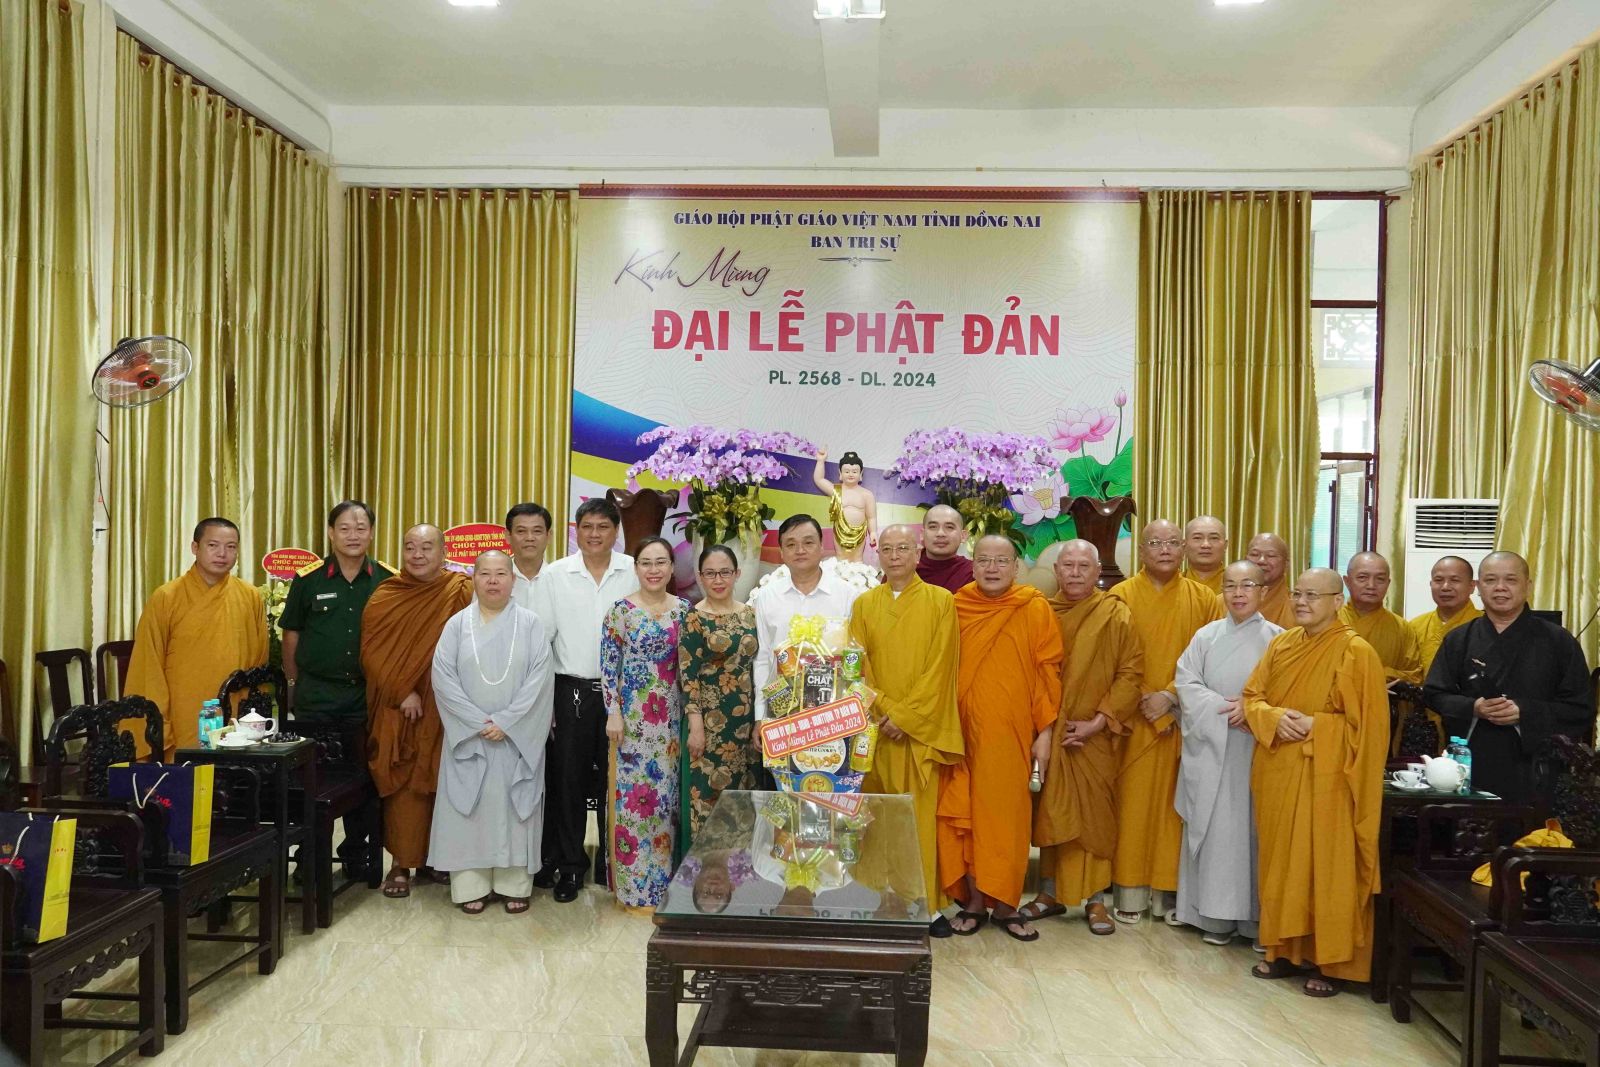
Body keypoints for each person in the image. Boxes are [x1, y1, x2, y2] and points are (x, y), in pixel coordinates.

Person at [1243, 567, 1389, 997]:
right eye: (1297, 594)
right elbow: (1252, 697)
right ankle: (1284, 951)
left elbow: (1371, 731)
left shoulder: (1357, 652)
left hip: (1330, 779)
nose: (1301, 602)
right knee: (1281, 867)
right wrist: (1272, 717)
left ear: (1337, 602)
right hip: (1279, 772)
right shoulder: (1283, 644)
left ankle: (1331, 962)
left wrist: (1317, 726)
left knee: (1325, 868)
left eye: (1313, 595)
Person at [938, 535, 1063, 942]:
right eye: (984, 560)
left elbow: (1048, 672)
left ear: (1015, 567)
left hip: (1012, 735)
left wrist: (1044, 732)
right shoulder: (956, 606)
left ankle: (1007, 904)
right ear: (972, 565)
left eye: (1001, 561)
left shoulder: (1033, 607)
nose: (992, 568)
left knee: (1006, 821)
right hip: (960, 733)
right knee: (967, 817)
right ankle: (975, 902)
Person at [1021, 540, 1143, 936]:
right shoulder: (1041, 612)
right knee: (1052, 811)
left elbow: (1131, 672)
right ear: (1056, 571)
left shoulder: (1115, 613)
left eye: (1083, 566)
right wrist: (1043, 726)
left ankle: (1095, 900)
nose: (1074, 573)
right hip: (1050, 732)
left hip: (1095, 735)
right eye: (1068, 565)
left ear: (1097, 571)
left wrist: (1099, 721)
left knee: (1095, 818)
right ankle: (1049, 893)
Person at [1107, 519, 1223, 924]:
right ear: (1141, 551)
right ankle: (1130, 891)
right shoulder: (1120, 596)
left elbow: (1212, 659)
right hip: (1133, 719)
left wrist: (1171, 695)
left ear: (1183, 550)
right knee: (1132, 807)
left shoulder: (1204, 599)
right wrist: (1140, 695)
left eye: (1173, 542)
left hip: (1182, 719)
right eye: (1155, 543)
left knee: (1177, 810)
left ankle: (1170, 895)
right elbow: (1112, 657)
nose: (1165, 550)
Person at [849, 525, 964, 935]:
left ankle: (924, 904)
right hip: (877, 729)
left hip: (918, 733)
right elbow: (857, 665)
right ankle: (877, 897)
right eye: (887, 549)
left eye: (903, 548)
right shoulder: (864, 604)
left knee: (918, 817)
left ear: (918, 554)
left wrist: (906, 718)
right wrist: (885, 711)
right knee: (876, 816)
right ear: (878, 555)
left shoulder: (941, 601)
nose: (895, 556)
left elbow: (942, 667)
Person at [427, 551, 554, 915]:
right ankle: (471, 885)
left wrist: (508, 723)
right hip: (470, 738)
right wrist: (477, 723)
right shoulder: (456, 626)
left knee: (515, 808)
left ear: (513, 580)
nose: (493, 581)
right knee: (469, 809)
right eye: (485, 574)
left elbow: (540, 681)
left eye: (501, 574)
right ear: (474, 579)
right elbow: (443, 679)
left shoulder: (530, 624)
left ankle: (515, 884)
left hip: (516, 740)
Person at [528, 498, 638, 902]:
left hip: (625, 695)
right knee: (568, 783)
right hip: (571, 691)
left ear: (616, 531)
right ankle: (571, 868)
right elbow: (542, 642)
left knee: (618, 783)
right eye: (587, 527)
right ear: (576, 531)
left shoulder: (633, 570)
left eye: (603, 527)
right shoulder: (556, 574)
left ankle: (614, 866)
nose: (595, 534)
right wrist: (545, 704)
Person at [278, 500, 393, 876]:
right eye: (344, 528)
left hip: (365, 697)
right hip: (316, 696)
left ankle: (356, 852)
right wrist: (292, 684)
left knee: (364, 779)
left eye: (361, 527)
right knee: (310, 780)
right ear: (330, 533)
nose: (353, 535)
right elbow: (292, 634)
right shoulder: (308, 579)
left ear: (371, 533)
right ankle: (310, 855)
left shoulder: (386, 580)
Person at [1423, 552, 1592, 805]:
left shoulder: (1558, 641)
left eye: (1511, 580)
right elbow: (1434, 694)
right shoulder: (1459, 638)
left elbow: (1580, 708)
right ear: (1478, 587)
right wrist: (1475, 707)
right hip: (1470, 761)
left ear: (1528, 586)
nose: (1500, 587)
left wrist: (1524, 711)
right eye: (1490, 580)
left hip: (1536, 765)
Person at [361, 523, 474, 899]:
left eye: (427, 547)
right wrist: (402, 690)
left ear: (444, 553)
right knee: (404, 784)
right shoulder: (386, 595)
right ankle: (401, 862)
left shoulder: (460, 590)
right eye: (410, 547)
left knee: (442, 781)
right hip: (401, 708)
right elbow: (372, 653)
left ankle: (436, 858)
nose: (418, 555)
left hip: (447, 706)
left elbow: (477, 641)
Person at [1173, 560, 1281, 945]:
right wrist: (1224, 708)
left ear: (1263, 591)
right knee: (1217, 831)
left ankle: (1257, 922)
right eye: (1230, 585)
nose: (1238, 593)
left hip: (1258, 748)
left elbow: (1288, 693)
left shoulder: (1280, 640)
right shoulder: (1205, 636)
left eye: (1247, 585)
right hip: (1213, 749)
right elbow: (1186, 684)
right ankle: (1213, 917)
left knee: (1255, 834)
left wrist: (1253, 710)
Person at [126, 517, 268, 758]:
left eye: (231, 547)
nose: (222, 554)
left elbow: (259, 662)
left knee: (231, 773)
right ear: (195, 547)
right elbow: (148, 664)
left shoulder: (250, 596)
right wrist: (159, 722)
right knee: (184, 771)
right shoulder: (166, 597)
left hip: (234, 711)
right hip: (182, 711)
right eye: (213, 545)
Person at [601, 537, 690, 909]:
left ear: (671, 567)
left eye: (661, 562)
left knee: (665, 804)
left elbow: (689, 668)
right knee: (633, 805)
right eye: (646, 563)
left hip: (670, 723)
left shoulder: (684, 611)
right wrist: (613, 712)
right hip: (632, 723)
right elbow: (609, 667)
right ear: (636, 568)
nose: (654, 570)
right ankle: (634, 890)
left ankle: (664, 886)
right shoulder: (620, 612)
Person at [677, 545, 760, 852]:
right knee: (709, 799)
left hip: (746, 724)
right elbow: (688, 675)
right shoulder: (694, 618)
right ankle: (705, 871)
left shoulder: (750, 614)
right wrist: (696, 726)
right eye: (710, 573)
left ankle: (738, 870)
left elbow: (759, 665)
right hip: (710, 726)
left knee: (743, 799)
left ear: (737, 574)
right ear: (700, 576)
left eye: (725, 572)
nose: (718, 579)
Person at [752, 515, 860, 721]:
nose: (800, 550)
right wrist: (760, 715)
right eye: (791, 544)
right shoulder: (767, 596)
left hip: (833, 712)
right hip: (781, 711)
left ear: (822, 547)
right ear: (781, 552)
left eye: (808, 543)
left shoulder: (847, 595)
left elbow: (855, 657)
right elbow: (763, 659)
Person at [1337, 551, 1420, 686]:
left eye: (1380, 579)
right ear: (1347, 581)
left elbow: (1414, 675)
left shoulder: (1402, 628)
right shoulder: (1328, 621)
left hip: (1384, 698)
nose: (1371, 585)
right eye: (1362, 577)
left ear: (1388, 583)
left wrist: (1381, 674)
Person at [1408, 556, 1482, 675]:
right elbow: (1410, 671)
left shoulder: (1485, 625)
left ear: (1472, 586)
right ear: (1431, 584)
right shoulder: (1415, 626)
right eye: (1438, 580)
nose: (1445, 587)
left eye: (1455, 580)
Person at [812, 448, 877, 563]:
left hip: (859, 533)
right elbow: (819, 479)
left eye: (854, 472)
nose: (850, 474)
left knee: (857, 559)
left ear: (861, 473)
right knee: (841, 558)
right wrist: (820, 461)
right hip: (840, 531)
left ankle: (858, 573)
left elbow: (871, 517)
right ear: (840, 473)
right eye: (847, 471)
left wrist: (873, 532)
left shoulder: (867, 494)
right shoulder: (836, 490)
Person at [504, 502, 553, 612]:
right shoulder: (493, 581)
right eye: (521, 531)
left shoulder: (560, 580)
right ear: (508, 536)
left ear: (548, 536)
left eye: (537, 531)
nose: (529, 538)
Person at [916, 503, 973, 592]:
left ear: (963, 536)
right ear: (922, 534)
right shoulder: (906, 567)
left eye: (949, 527)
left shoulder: (973, 572)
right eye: (933, 527)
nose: (940, 533)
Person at [1246, 532, 1296, 628]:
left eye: (1271, 555)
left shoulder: (1297, 607)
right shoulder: (1224, 602)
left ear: (1286, 564)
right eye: (1255, 554)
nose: (1261, 561)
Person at [1184, 516, 1228, 593]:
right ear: (1184, 545)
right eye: (1197, 538)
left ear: (1225, 545)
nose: (1206, 545)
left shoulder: (1238, 587)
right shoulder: (1172, 584)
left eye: (1214, 538)